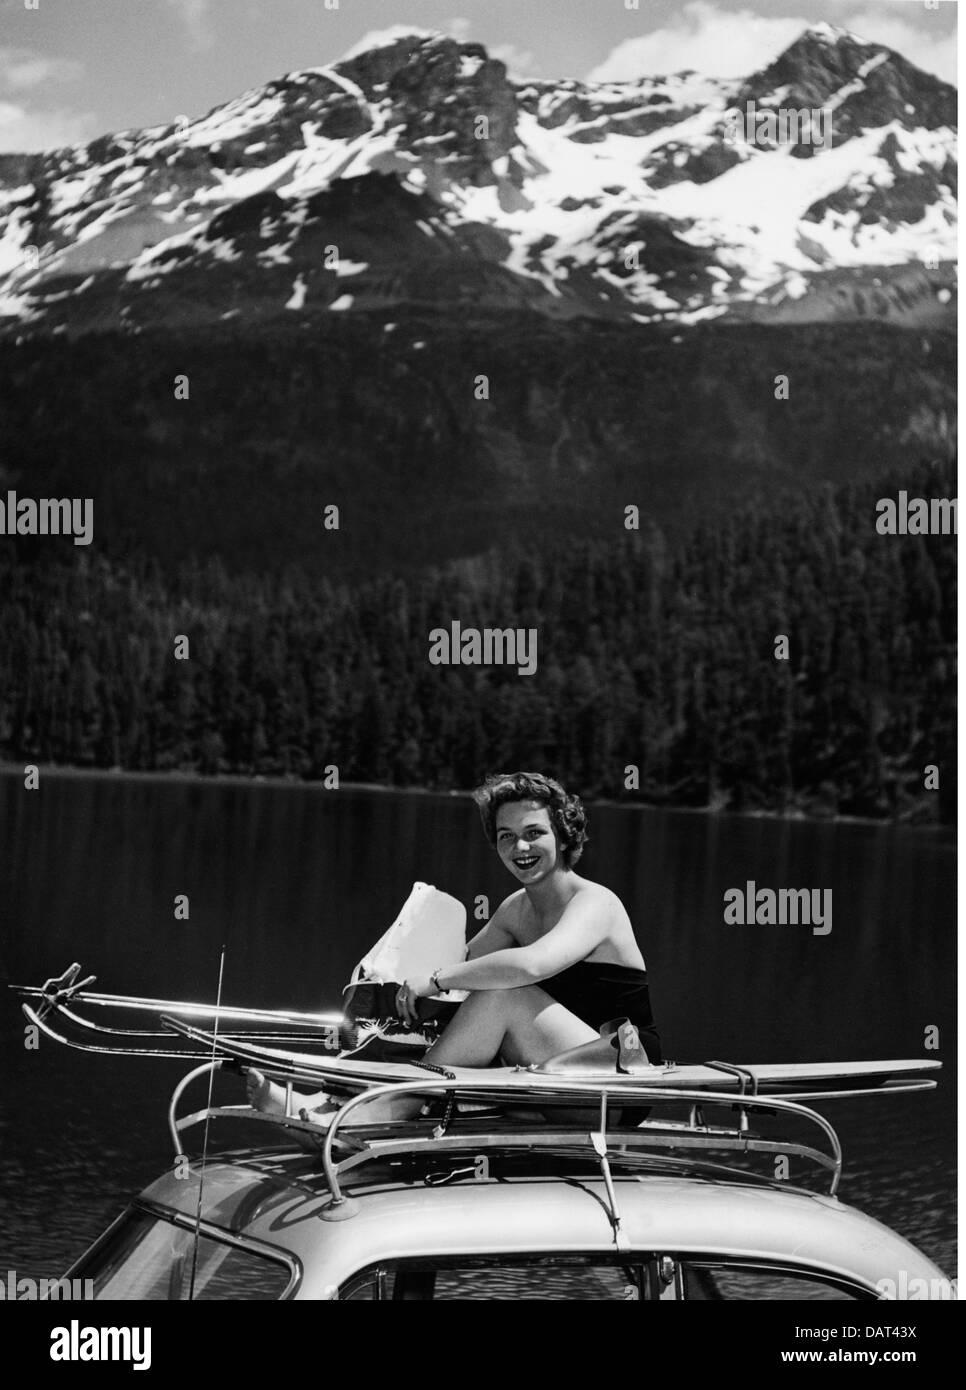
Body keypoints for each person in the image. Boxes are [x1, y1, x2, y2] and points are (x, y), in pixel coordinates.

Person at [247, 771, 661, 1126]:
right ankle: (330, 1099)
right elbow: (460, 964)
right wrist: (384, 998)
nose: (520, 848)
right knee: (470, 1002)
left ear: (563, 834)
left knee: (504, 997)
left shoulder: (596, 903)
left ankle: (384, 1110)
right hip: (552, 1074)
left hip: (619, 1083)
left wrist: (433, 980)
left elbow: (530, 966)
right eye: (506, 837)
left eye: (535, 833)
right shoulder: (515, 910)